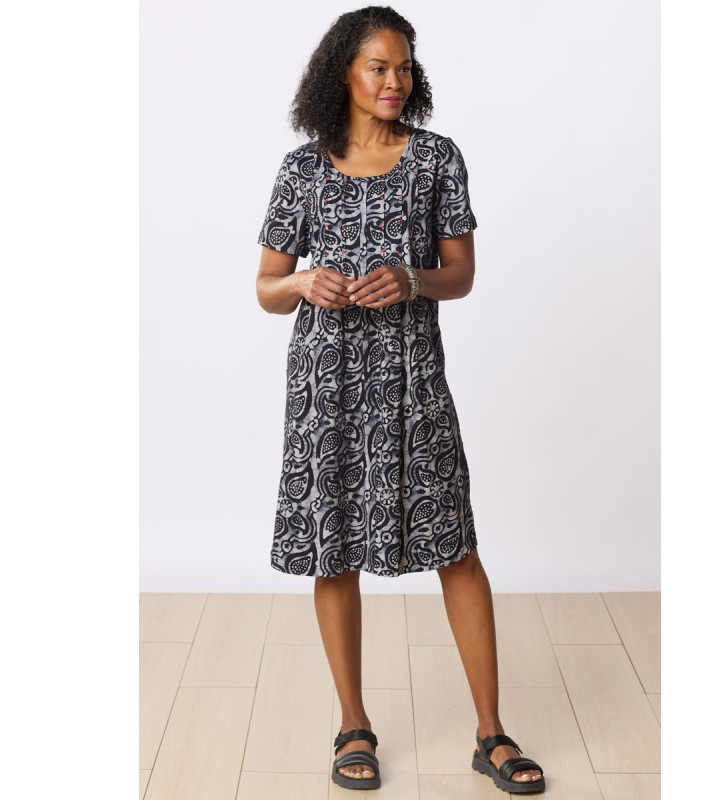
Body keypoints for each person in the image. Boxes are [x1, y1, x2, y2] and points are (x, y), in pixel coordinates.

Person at [255, 5, 545, 794]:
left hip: (414, 382)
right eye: (379, 66)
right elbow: (266, 288)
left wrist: (413, 279)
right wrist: (303, 282)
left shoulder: (437, 159)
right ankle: (354, 724)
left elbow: (462, 274)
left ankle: (491, 733)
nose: (395, 80)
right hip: (326, 385)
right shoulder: (301, 170)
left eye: (405, 67)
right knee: (334, 548)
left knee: (455, 544)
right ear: (342, 74)